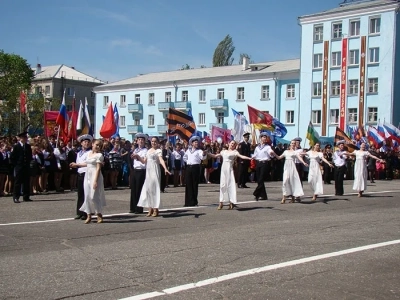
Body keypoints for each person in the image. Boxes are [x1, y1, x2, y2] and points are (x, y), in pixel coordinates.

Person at [208, 140, 252, 210]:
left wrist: (249, 158)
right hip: (223, 170)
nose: (232, 145)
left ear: (235, 146)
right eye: (231, 143)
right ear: (229, 144)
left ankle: (231, 202)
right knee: (222, 185)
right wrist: (207, 153)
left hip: (229, 170)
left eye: (234, 144)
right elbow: (215, 156)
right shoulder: (223, 151)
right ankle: (221, 202)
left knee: (230, 185)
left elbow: (241, 156)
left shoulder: (235, 152)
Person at [134, 137, 171, 217]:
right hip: (148, 172)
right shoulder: (148, 151)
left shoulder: (158, 151)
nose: (153, 143)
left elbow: (161, 160)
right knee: (148, 189)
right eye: (152, 141)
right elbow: (144, 161)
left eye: (155, 141)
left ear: (157, 143)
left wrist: (165, 168)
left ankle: (155, 209)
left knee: (154, 189)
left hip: (155, 171)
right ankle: (150, 208)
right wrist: (137, 156)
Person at [79, 139, 106, 224]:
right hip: (87, 176)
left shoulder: (99, 155)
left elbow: (98, 168)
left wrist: (95, 180)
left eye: (99, 146)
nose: (97, 147)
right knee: (87, 196)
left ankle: (99, 214)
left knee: (94, 196)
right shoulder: (88, 153)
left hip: (96, 176)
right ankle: (89, 215)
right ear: (92, 144)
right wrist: (76, 165)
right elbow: (87, 163)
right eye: (96, 144)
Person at [69, 134, 93, 220]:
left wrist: (77, 165)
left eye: (88, 142)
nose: (86, 143)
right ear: (81, 143)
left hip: (86, 174)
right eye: (84, 142)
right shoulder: (79, 153)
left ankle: (86, 213)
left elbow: (88, 163)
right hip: (80, 174)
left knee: (86, 194)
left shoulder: (90, 152)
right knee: (80, 194)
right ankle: (79, 212)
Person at [183, 136, 207, 207]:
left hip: (195, 168)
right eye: (195, 142)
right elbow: (184, 157)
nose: (197, 143)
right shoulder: (188, 150)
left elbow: (202, 157)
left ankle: (194, 201)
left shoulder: (199, 151)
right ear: (192, 143)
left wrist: (204, 154)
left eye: (197, 142)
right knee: (188, 184)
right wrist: (187, 161)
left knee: (194, 184)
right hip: (189, 167)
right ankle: (188, 202)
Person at [10, 131, 33, 203]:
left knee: (26, 181)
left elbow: (29, 156)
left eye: (26, 137)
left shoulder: (28, 146)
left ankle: (26, 196)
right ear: (20, 138)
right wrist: (16, 165)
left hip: (26, 166)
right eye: (24, 137)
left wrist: (29, 163)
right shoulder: (16, 146)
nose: (26, 138)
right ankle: (16, 197)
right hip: (19, 167)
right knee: (18, 182)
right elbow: (12, 157)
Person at [252, 132, 275, 201]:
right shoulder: (257, 147)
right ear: (261, 138)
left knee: (261, 179)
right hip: (258, 163)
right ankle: (264, 195)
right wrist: (251, 157)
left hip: (264, 163)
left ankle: (256, 193)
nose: (264, 139)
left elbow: (271, 154)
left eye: (265, 137)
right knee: (259, 180)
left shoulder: (268, 147)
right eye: (263, 137)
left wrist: (271, 153)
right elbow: (255, 155)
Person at [129, 133, 148, 214]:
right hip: (135, 170)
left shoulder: (145, 150)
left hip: (141, 170)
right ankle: (133, 207)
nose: (141, 141)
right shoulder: (135, 149)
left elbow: (144, 161)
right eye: (139, 140)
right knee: (133, 189)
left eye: (142, 140)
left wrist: (137, 157)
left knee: (139, 189)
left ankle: (139, 208)